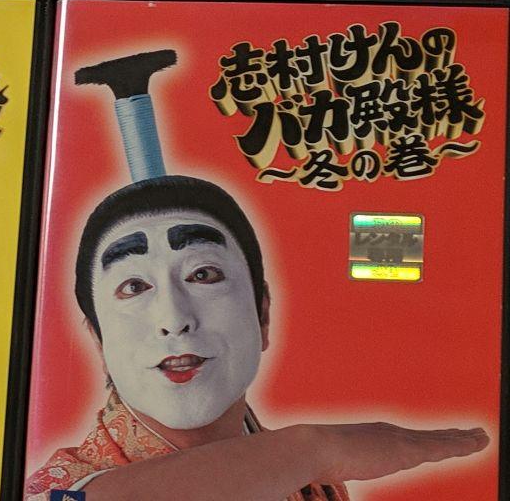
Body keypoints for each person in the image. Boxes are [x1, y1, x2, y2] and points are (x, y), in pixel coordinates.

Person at [25, 176, 488, 500]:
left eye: (203, 274)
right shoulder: (59, 484)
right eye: (134, 286)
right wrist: (312, 448)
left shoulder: (313, 485)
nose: (173, 319)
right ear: (98, 340)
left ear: (263, 313)